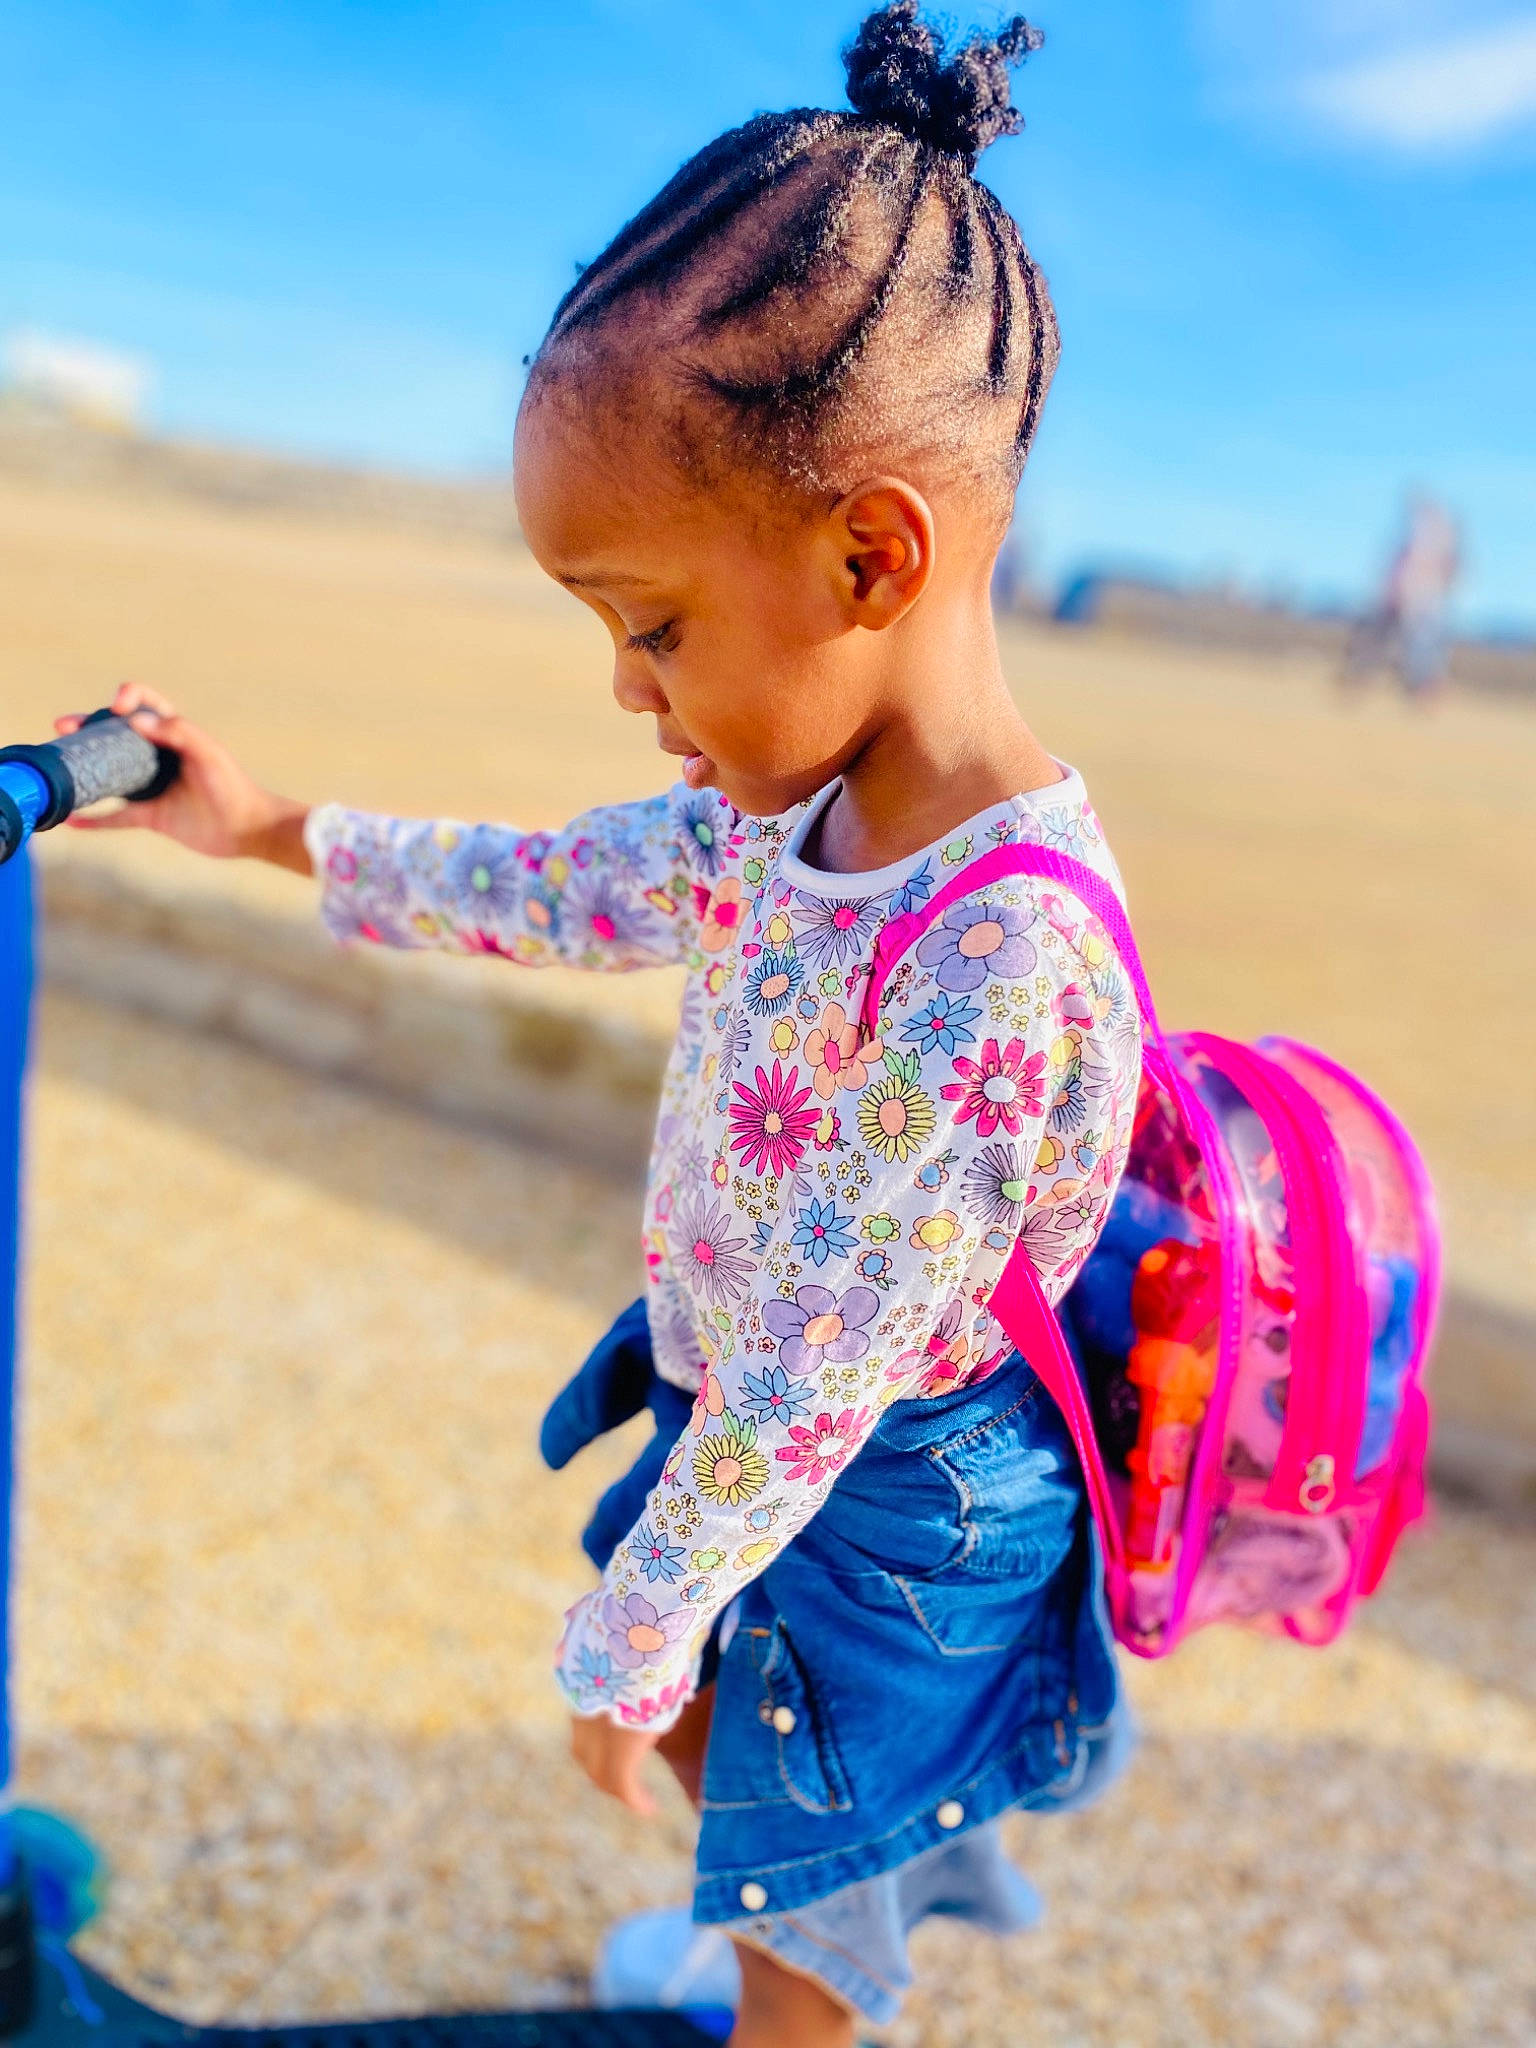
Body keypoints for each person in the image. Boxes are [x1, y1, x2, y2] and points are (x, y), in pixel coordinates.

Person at [57, 9, 1142, 2041]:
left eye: (652, 623)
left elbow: (818, 1376)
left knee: (810, 1869)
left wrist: (630, 1636)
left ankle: (791, 2004)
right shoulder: (779, 819)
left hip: (889, 1492)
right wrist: (268, 826)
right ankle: (770, 1908)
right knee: (751, 1749)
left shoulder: (1001, 960)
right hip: (756, 1431)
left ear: (871, 551)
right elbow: (548, 885)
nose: (631, 690)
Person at [1339, 493, 1461, 705]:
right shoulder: (1409, 545)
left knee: (1421, 650)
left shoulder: (1441, 544)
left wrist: (1435, 595)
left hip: (1422, 604)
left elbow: (1449, 573)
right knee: (1374, 640)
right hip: (1394, 600)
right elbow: (1393, 572)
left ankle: (1423, 692)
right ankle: (1358, 681)